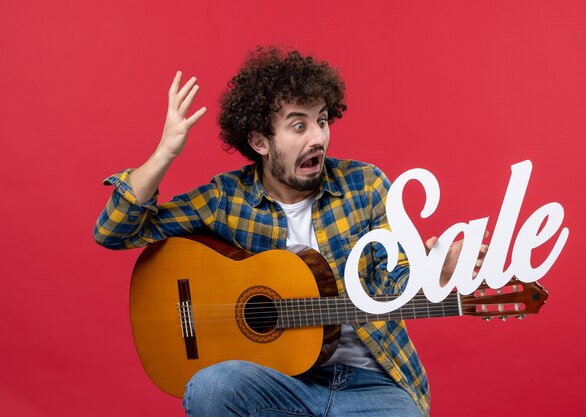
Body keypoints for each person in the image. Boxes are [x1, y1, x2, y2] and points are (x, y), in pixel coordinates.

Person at [94, 46, 486, 417]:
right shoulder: (226, 199)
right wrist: (165, 153)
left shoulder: (365, 186)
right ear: (260, 141)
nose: (317, 137)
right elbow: (114, 232)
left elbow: (394, 278)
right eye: (298, 125)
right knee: (210, 386)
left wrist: (437, 270)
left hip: (372, 385)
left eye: (321, 120)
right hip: (280, 382)